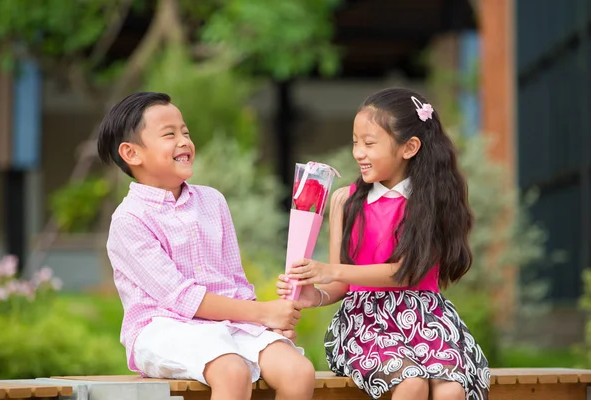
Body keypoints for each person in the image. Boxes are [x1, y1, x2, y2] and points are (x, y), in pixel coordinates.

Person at [97, 92, 315, 400]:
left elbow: (235, 281)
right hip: (164, 329)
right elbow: (181, 298)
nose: (184, 141)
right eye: (169, 134)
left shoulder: (212, 201)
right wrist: (264, 313)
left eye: (185, 132)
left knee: (299, 372)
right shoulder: (129, 219)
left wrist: (269, 326)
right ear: (132, 153)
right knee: (232, 371)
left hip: (230, 326)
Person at [277, 88, 490, 400]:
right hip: (365, 323)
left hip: (426, 321)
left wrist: (332, 271)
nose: (358, 152)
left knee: (452, 391)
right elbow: (341, 286)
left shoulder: (430, 201)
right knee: (411, 382)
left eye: (369, 143)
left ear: (409, 147)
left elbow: (406, 273)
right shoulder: (345, 201)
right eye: (355, 142)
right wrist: (317, 294)